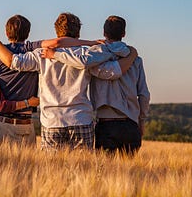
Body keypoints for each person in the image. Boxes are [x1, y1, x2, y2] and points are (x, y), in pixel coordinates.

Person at [0, 13, 137, 151]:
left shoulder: (41, 54)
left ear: (57, 32)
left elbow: (15, 62)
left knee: (52, 172)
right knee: (83, 171)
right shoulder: (86, 54)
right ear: (78, 34)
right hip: (81, 119)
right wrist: (131, 55)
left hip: (52, 120)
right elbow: (110, 72)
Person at [0, 14, 97, 145]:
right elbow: (58, 42)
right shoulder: (31, 48)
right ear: (28, 33)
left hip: (1, 122)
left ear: (6, 32)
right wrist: (91, 43)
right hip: (26, 124)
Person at [42, 15, 150, 156]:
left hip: (106, 125)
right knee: (129, 174)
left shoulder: (95, 57)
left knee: (104, 174)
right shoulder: (135, 60)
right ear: (124, 34)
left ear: (104, 33)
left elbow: (84, 62)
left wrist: (55, 54)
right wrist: (141, 121)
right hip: (131, 124)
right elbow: (144, 94)